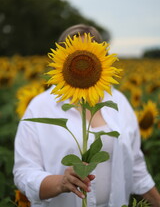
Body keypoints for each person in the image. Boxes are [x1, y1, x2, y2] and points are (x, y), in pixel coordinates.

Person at [13, 24, 160, 207]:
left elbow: (135, 167)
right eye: (74, 53)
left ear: (101, 56)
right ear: (61, 58)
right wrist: (61, 183)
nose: (81, 63)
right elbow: (23, 172)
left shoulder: (119, 102)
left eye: (89, 53)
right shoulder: (40, 107)